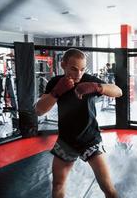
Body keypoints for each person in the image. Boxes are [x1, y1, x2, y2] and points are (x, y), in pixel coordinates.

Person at [35, 48, 122, 198]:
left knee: (107, 187)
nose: (78, 74)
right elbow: (39, 110)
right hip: (66, 141)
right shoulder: (55, 82)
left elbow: (118, 91)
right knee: (57, 186)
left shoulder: (89, 79)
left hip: (90, 139)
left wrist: (97, 87)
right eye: (73, 69)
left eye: (82, 69)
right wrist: (57, 92)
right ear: (63, 65)